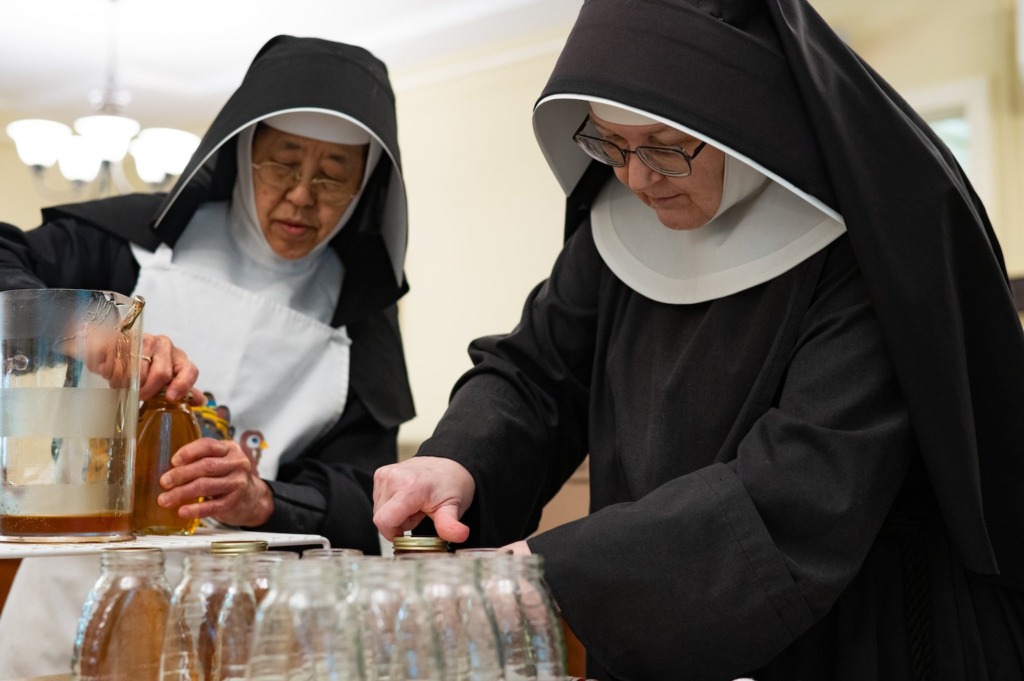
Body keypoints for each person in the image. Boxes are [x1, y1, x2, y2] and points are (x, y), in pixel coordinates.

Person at [372, 1, 1024, 679]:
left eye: (664, 146)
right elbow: (534, 373)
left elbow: (802, 493)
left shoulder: (867, 254)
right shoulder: (615, 225)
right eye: (609, 143)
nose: (635, 178)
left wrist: (556, 574)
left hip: (851, 634)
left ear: (747, 119)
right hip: (650, 611)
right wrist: (455, 461)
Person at [0, 35, 413, 677]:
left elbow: (368, 497)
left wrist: (264, 499)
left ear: (368, 185)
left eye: (335, 174)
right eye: (283, 163)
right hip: (74, 596)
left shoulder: (358, 315)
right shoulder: (128, 244)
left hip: (243, 625)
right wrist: (77, 323)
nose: (303, 196)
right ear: (245, 152)